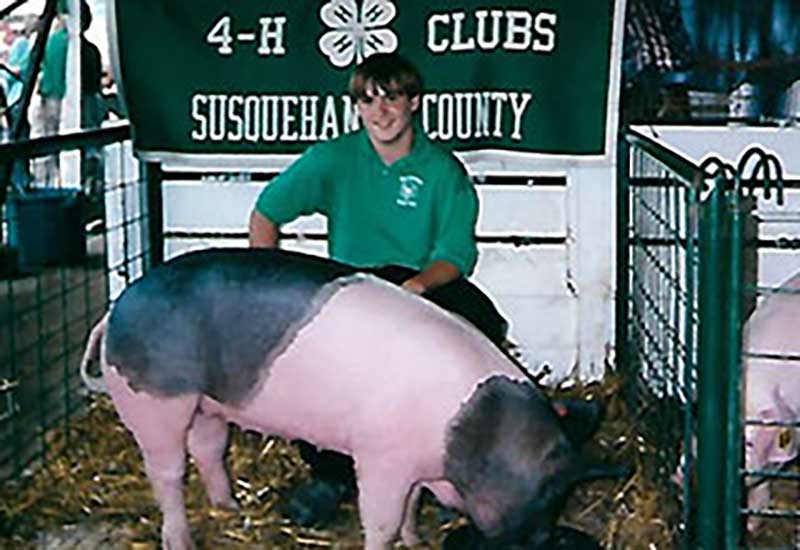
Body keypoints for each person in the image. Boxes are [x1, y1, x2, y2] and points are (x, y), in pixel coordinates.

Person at [248, 52, 509, 526]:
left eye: (391, 98)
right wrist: (267, 280)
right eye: (367, 101)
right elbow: (267, 211)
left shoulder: (442, 170)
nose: (380, 112)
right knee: (313, 365)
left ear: (414, 102)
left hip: (415, 285)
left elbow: (455, 254)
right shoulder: (333, 158)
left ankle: (448, 469)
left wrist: (417, 287)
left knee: (483, 324)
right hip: (351, 286)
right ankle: (331, 475)